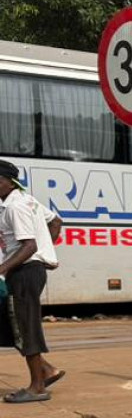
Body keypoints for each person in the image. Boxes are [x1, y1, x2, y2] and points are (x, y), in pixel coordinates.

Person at [0, 159, 64, 402]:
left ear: (4, 181)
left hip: (24, 271)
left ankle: (37, 387)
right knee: (12, 324)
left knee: (26, 327)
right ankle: (47, 370)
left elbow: (29, 246)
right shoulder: (25, 199)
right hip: (27, 269)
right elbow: (56, 221)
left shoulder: (16, 206)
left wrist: (2, 269)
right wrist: (47, 251)